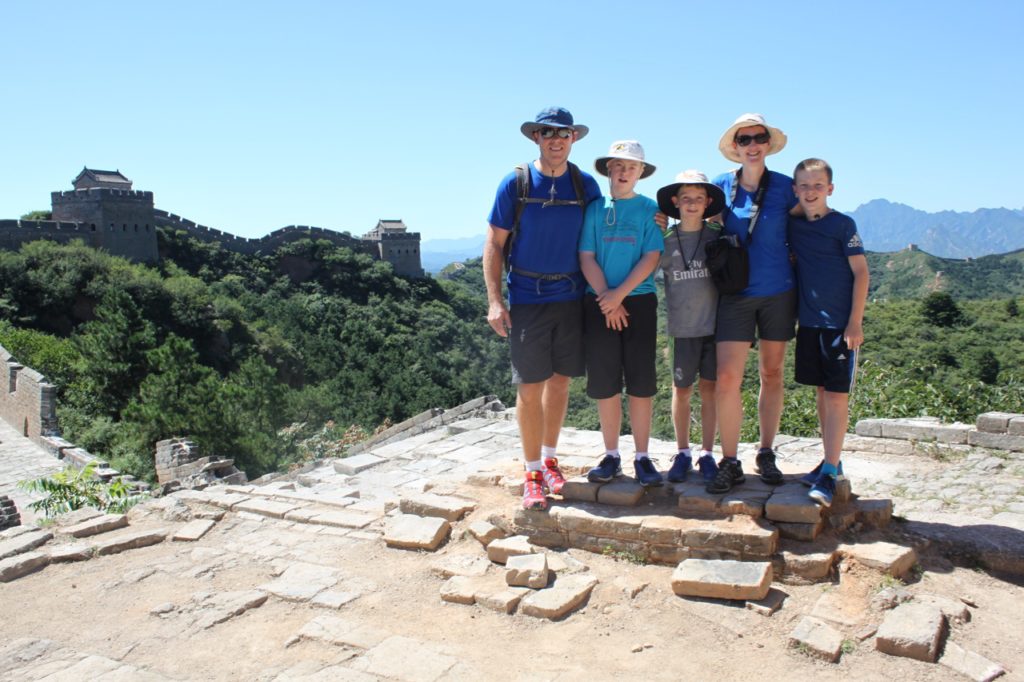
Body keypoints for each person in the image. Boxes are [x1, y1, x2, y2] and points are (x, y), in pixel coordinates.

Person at [484, 107, 601, 510]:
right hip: (528, 298)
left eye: (563, 133)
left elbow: (606, 230)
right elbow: (495, 243)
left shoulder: (585, 186)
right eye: (548, 133)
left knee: (561, 382)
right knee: (529, 386)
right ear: (536, 137)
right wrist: (495, 300)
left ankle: (550, 458)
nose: (556, 140)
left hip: (571, 296)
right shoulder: (515, 183)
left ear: (573, 138)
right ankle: (532, 471)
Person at [708, 113, 798, 494]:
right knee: (728, 378)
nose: (752, 144)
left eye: (758, 137)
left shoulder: (786, 188)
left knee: (772, 373)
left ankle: (765, 451)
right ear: (736, 147)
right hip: (735, 295)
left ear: (767, 143)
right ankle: (730, 460)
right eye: (744, 139)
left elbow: (807, 223)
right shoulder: (719, 187)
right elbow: (697, 220)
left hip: (779, 291)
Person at [579, 141, 663, 487]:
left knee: (641, 383)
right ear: (608, 170)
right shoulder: (595, 209)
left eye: (632, 167)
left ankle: (643, 457)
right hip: (598, 302)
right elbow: (586, 256)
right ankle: (611, 455)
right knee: (606, 383)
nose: (624, 172)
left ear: (641, 173)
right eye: (618, 166)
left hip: (639, 301)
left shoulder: (650, 209)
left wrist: (619, 296)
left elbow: (651, 256)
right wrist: (606, 298)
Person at [787, 158, 869, 506]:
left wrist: (855, 322)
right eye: (803, 185)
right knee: (821, 393)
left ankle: (831, 471)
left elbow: (862, 273)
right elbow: (783, 210)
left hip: (840, 326)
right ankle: (829, 460)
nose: (810, 192)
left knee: (836, 396)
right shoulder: (794, 225)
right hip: (809, 324)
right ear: (795, 189)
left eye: (818, 186)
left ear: (830, 189)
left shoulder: (842, 224)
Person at [655, 170, 726, 484]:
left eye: (699, 198)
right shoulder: (666, 240)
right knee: (681, 391)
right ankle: (682, 451)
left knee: (710, 391)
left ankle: (707, 452)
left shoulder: (716, 236)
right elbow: (643, 265)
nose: (692, 203)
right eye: (686, 198)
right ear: (675, 202)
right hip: (682, 329)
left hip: (715, 327)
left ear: (708, 202)